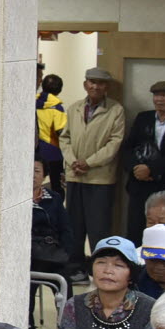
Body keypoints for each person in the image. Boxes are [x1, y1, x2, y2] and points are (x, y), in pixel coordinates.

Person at [121, 81, 165, 246]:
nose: (159, 99)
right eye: (156, 95)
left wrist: (151, 170)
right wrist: (135, 169)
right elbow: (127, 148)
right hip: (139, 186)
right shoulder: (142, 119)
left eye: (164, 95)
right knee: (135, 231)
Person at [61, 238, 155, 329]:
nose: (107, 271)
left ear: (131, 274)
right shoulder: (74, 305)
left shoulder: (149, 308)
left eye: (118, 265)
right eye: (101, 262)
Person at [64, 67, 125, 256]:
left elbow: (114, 143)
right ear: (85, 85)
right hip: (74, 176)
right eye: (92, 82)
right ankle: (75, 268)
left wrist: (89, 163)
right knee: (73, 226)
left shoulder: (116, 110)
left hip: (99, 179)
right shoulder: (74, 108)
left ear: (106, 87)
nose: (95, 86)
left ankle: (97, 266)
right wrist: (73, 161)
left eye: (100, 83)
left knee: (98, 227)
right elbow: (64, 138)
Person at [32, 152, 81, 280]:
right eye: (28, 170)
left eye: (36, 171)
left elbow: (66, 229)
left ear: (44, 175)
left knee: (64, 280)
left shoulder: (54, 198)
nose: (32, 175)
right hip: (29, 256)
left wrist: (66, 253)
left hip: (52, 253)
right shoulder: (16, 201)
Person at [36, 72, 67, 150]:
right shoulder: (57, 108)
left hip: (33, 147)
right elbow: (61, 131)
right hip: (51, 149)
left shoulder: (32, 103)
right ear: (59, 90)